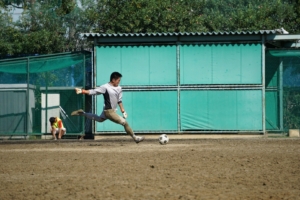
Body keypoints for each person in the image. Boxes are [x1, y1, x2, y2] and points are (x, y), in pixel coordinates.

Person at [71, 72, 144, 143]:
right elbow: (94, 91)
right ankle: (135, 138)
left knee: (99, 119)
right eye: (118, 80)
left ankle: (82, 113)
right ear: (113, 80)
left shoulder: (119, 88)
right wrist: (82, 91)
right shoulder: (105, 87)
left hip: (111, 110)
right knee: (125, 123)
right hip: (109, 111)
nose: (119, 82)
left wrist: (123, 111)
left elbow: (119, 100)